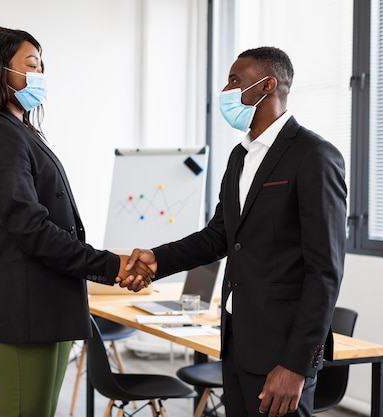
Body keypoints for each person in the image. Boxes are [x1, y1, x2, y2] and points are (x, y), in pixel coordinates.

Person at [123, 47, 347, 417]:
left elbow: (325, 272)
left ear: (267, 86)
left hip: (282, 352)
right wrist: (157, 259)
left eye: (235, 81)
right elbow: (219, 235)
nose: (226, 91)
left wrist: (296, 366)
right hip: (238, 341)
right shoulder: (239, 156)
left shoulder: (314, 156)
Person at [0, 27, 152, 417]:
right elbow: (31, 228)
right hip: (24, 305)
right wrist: (111, 265)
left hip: (48, 301)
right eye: (31, 65)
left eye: (42, 66)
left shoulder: (20, 130)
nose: (40, 75)